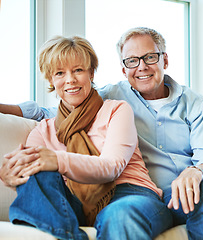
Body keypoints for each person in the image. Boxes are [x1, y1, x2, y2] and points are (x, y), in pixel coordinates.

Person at [0, 27, 203, 239]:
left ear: (164, 60)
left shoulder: (194, 103)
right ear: (123, 67)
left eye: (150, 58)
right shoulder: (111, 96)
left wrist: (196, 173)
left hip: (194, 188)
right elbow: (56, 109)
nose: (141, 67)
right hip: (147, 193)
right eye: (132, 61)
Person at [0, 36, 173, 240]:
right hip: (72, 203)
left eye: (78, 70)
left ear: (91, 72)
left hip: (130, 194)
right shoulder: (42, 131)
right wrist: (13, 175)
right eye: (60, 73)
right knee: (36, 172)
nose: (70, 80)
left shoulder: (116, 110)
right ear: (51, 80)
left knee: (119, 216)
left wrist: (57, 160)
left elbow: (112, 166)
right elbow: (35, 188)